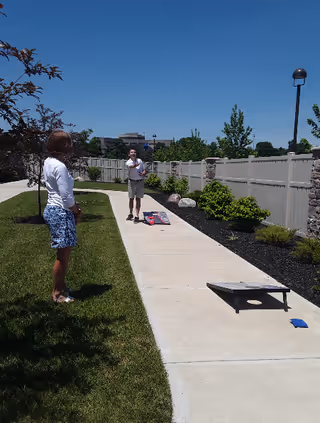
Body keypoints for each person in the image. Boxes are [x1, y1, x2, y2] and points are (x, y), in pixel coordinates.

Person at [43, 130, 82, 303]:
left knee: (62, 254)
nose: (72, 145)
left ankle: (62, 286)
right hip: (61, 211)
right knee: (63, 256)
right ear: (64, 145)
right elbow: (66, 198)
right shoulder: (60, 166)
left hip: (53, 208)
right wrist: (76, 211)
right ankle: (57, 293)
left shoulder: (48, 162)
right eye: (69, 142)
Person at [126, 149, 146, 222]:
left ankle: (137, 215)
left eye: (134, 152)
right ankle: (130, 213)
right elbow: (131, 166)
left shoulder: (140, 161)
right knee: (131, 198)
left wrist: (143, 173)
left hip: (140, 181)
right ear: (129, 154)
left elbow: (144, 169)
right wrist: (135, 165)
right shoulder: (128, 162)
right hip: (132, 182)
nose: (133, 153)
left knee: (138, 198)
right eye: (131, 152)